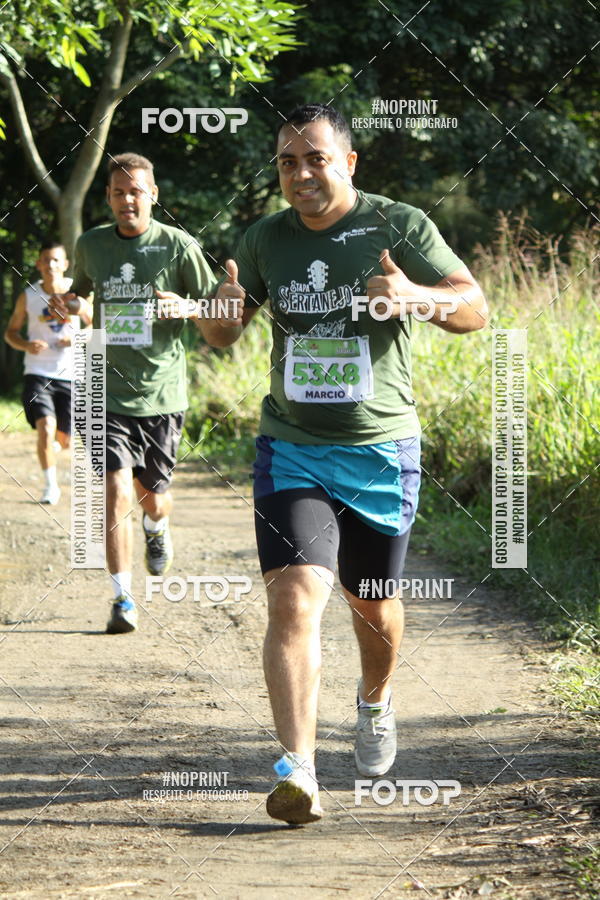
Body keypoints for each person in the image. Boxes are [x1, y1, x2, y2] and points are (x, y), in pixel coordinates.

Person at [202, 102, 489, 825]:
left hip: (380, 450)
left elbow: (474, 306)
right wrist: (223, 311)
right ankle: (298, 769)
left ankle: (374, 700)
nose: (300, 173)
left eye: (316, 159)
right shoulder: (265, 238)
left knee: (371, 603)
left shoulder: (399, 226)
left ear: (349, 162)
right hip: (291, 446)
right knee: (296, 596)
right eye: (288, 162)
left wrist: (415, 297)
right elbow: (220, 336)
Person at [49, 152, 215, 635]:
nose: (127, 200)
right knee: (116, 489)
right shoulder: (92, 244)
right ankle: (123, 599)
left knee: (152, 496)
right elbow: (81, 292)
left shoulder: (179, 246)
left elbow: (218, 308)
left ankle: (157, 527)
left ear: (153, 196)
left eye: (136, 191)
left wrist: (186, 306)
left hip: (162, 395)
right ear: (108, 198)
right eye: (119, 192)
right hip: (104, 390)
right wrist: (71, 302)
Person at [4, 240, 85, 505]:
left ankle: (54, 447)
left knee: (65, 439)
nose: (50, 265)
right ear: (38, 264)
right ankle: (50, 486)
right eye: (45, 260)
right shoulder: (28, 296)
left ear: (65, 264)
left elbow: (97, 324)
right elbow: (10, 333)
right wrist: (26, 344)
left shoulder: (78, 290)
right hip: (37, 371)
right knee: (45, 428)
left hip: (71, 373)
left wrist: (77, 340)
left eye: (55, 260)